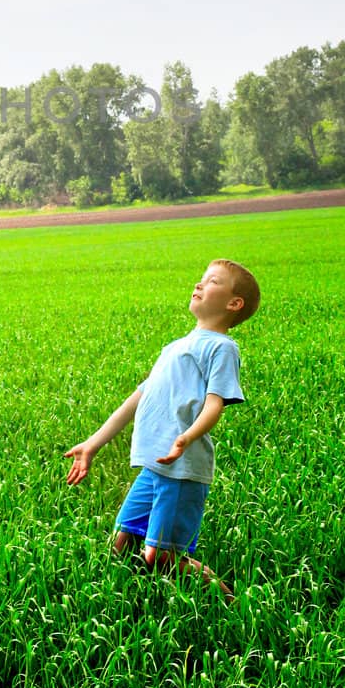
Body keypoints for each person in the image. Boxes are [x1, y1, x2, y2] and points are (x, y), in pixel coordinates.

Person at [64, 258, 259, 604]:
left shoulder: (222, 348)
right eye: (201, 279)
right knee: (123, 542)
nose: (199, 285)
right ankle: (132, 606)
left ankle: (234, 606)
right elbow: (136, 400)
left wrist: (188, 437)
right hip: (155, 466)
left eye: (212, 281)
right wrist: (92, 444)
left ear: (234, 303)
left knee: (161, 556)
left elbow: (215, 403)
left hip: (182, 468)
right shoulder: (174, 347)